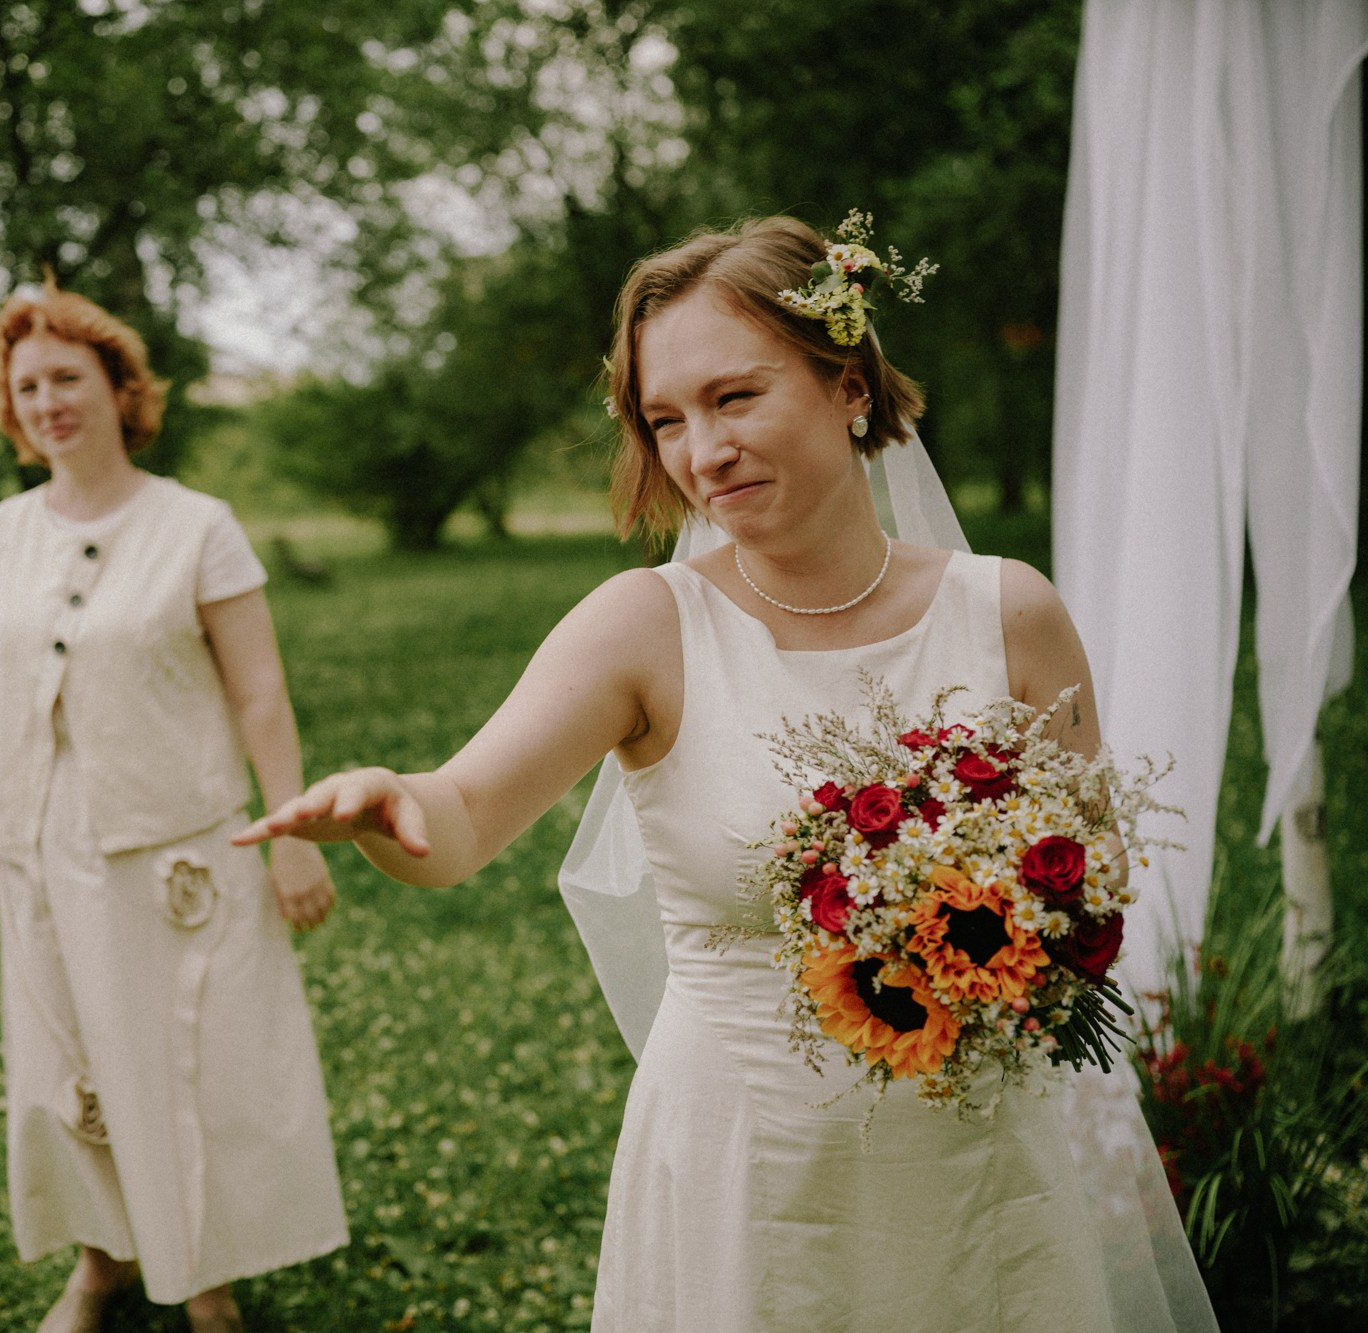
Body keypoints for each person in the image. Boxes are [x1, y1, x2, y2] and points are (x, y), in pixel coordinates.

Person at [236, 217, 1217, 1330]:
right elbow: (458, 813)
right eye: (664, 419)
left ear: (847, 386)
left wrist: (981, 913)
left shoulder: (1010, 614)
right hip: (742, 1183)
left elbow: (1091, 888)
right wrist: (388, 804)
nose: (700, 451)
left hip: (980, 1172)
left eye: (733, 398)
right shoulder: (641, 629)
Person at [0, 281, 347, 1332]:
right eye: (25, 386)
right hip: (36, 847)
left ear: (120, 389)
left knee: (181, 1061)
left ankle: (204, 1271)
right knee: (66, 1063)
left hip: (175, 853)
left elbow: (259, 692)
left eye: (67, 378)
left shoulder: (195, 527)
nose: (45, 401)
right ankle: (101, 1260)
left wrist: (290, 833)